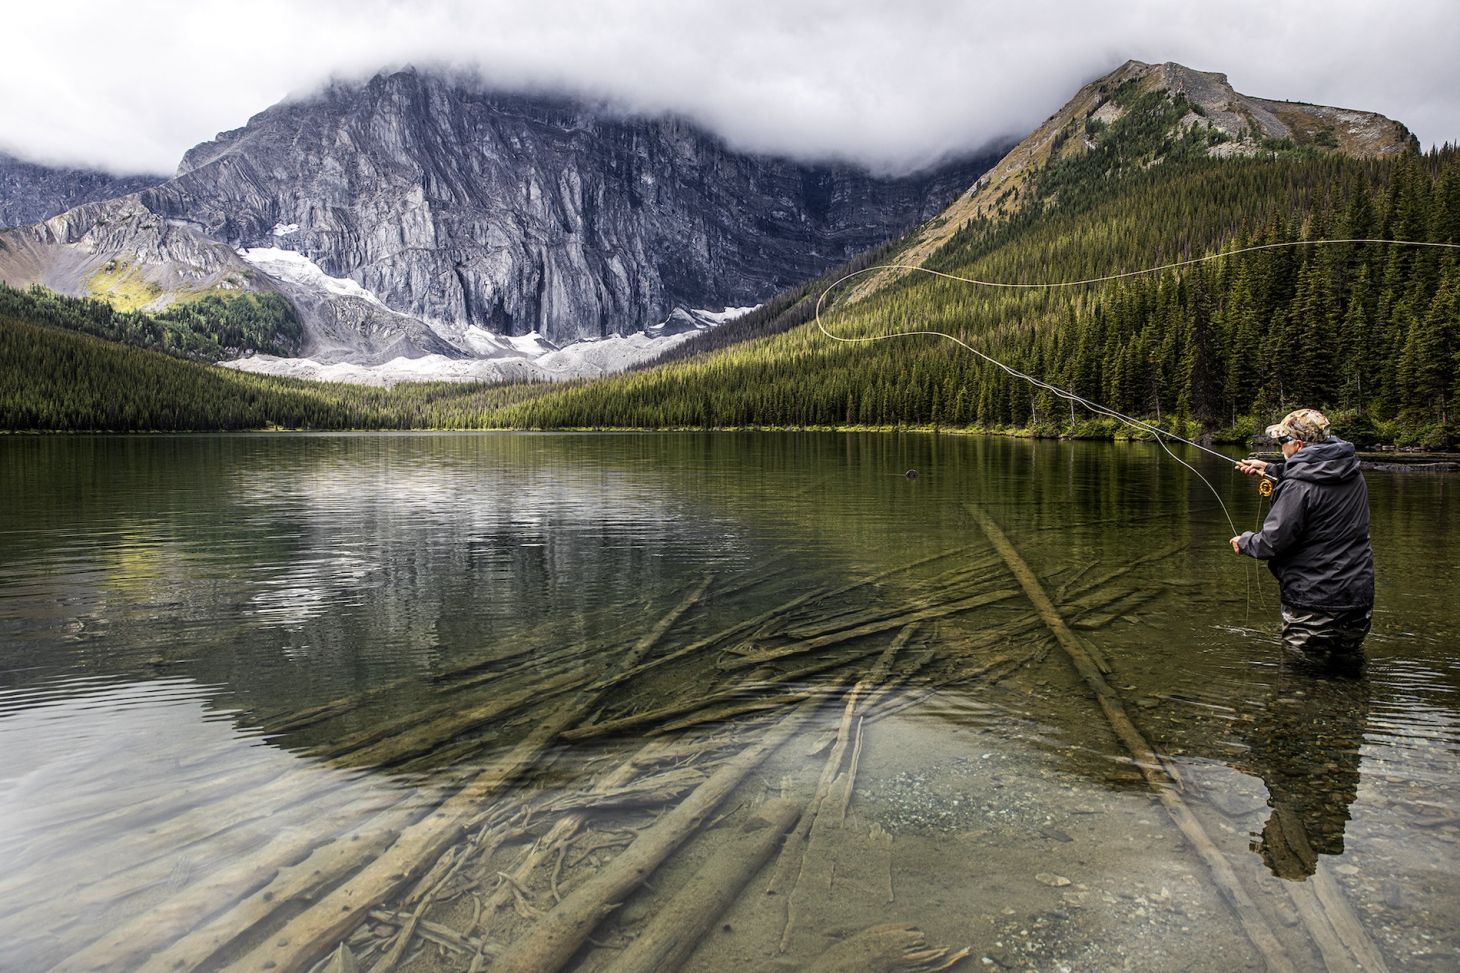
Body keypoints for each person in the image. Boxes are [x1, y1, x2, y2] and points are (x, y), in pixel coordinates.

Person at [1230, 408, 1375, 670]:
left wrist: (1244, 542)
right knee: (1348, 669)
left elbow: (1273, 542)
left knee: (1302, 677)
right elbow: (1317, 482)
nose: (1280, 446)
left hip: (1313, 602)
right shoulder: (1352, 472)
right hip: (1357, 597)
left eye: (1282, 442)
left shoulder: (1298, 486)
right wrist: (1275, 470)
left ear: (1298, 445)